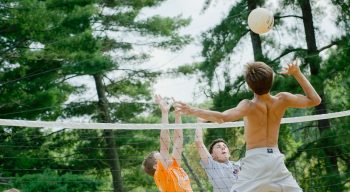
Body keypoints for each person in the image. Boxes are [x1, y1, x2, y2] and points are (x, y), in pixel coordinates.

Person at [174, 60, 321, 192]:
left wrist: (193, 110)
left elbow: (222, 117)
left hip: (255, 162)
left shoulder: (248, 106)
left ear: (249, 86)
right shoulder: (282, 99)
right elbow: (315, 100)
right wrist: (297, 73)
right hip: (275, 160)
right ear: (272, 79)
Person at [142, 95, 192, 192]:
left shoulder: (174, 166)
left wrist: (178, 115)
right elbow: (165, 144)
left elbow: (178, 140)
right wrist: (164, 113)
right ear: (156, 166)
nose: (164, 155)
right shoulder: (160, 174)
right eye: (160, 155)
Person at [195, 118, 240, 192]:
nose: (223, 148)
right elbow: (198, 142)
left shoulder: (238, 165)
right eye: (218, 147)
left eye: (225, 146)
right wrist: (199, 122)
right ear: (212, 155)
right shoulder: (212, 165)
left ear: (229, 152)